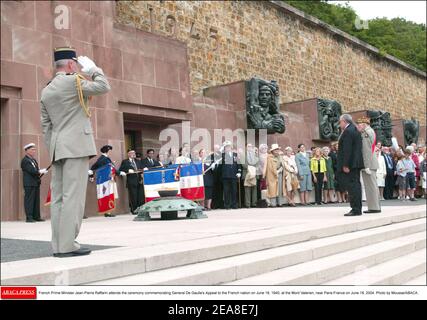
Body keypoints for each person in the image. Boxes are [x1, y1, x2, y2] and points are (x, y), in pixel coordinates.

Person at [41, 48, 110, 257]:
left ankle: (59, 245)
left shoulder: (47, 89)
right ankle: (68, 245)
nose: (78, 67)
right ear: (71, 65)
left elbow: (46, 127)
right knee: (73, 197)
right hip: (76, 146)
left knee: (59, 198)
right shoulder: (73, 81)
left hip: (58, 149)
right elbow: (103, 86)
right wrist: (94, 69)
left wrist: (55, 148)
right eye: (77, 64)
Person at [336, 114, 364, 216]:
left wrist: (345, 165)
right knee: (356, 185)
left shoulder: (348, 131)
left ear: (344, 121)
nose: (339, 124)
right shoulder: (355, 129)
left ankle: (355, 209)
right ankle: (357, 208)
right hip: (355, 163)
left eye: (340, 122)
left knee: (353, 187)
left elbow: (347, 150)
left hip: (351, 164)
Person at [356, 117, 381, 213]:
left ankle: (374, 207)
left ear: (364, 124)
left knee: (370, 186)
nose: (358, 126)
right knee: (373, 186)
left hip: (369, 163)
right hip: (371, 162)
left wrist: (366, 165)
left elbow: (366, 150)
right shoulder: (371, 131)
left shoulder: (366, 133)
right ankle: (375, 206)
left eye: (359, 124)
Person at [21, 143, 47, 222]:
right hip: (29, 183)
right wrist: (40, 171)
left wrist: (40, 172)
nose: (34, 151)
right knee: (29, 200)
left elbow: (35, 171)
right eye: (32, 149)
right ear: (26, 151)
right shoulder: (25, 160)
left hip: (35, 183)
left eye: (34, 149)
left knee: (36, 201)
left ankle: (36, 216)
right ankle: (29, 217)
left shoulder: (33, 160)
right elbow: (31, 171)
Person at [88, 144, 116, 217]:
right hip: (105, 180)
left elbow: (93, 167)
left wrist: (91, 174)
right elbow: (94, 167)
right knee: (106, 195)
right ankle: (107, 212)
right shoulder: (104, 159)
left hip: (106, 179)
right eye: (109, 150)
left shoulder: (104, 158)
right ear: (107, 151)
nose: (110, 152)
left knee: (107, 195)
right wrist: (91, 175)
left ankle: (107, 211)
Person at [119, 149, 144, 214]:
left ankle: (140, 209)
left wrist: (143, 171)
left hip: (139, 180)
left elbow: (141, 168)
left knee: (140, 196)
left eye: (134, 153)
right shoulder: (125, 161)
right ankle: (134, 210)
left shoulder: (138, 161)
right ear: (128, 154)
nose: (134, 154)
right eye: (132, 153)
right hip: (131, 181)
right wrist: (127, 170)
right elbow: (121, 169)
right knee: (133, 196)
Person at [219, 141, 242, 209]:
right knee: (226, 191)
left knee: (234, 190)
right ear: (224, 148)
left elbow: (238, 164)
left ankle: (234, 204)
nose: (228, 148)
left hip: (234, 175)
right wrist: (221, 150)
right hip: (225, 175)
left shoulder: (235, 154)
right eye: (226, 147)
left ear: (231, 147)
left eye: (229, 146)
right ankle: (227, 205)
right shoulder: (222, 155)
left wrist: (239, 172)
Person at [242, 144, 259, 208]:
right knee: (247, 189)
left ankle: (254, 203)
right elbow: (244, 164)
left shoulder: (255, 155)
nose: (250, 148)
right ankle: (248, 204)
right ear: (246, 147)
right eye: (248, 146)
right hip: (247, 174)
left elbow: (257, 163)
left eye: (251, 147)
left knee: (254, 189)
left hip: (254, 174)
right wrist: (251, 168)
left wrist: (254, 169)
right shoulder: (243, 155)